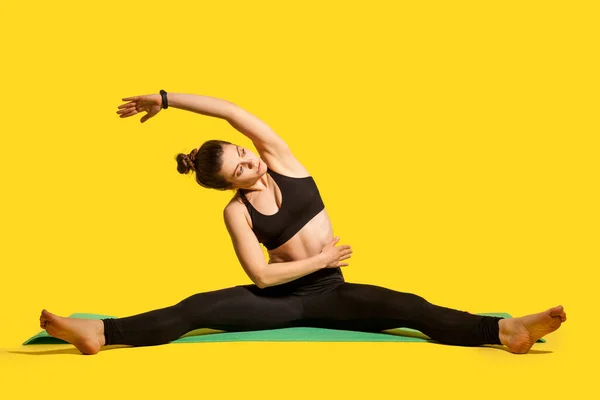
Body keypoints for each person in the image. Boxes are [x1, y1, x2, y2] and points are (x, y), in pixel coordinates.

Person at [39, 91, 567, 355]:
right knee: (193, 310)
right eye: (240, 169)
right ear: (229, 186)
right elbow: (263, 279)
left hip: (331, 292)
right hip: (279, 301)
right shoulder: (236, 212)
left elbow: (229, 111)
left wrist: (167, 98)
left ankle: (505, 330)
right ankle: (99, 333)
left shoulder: (285, 161)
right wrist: (320, 257)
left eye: (246, 154)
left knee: (412, 309)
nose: (252, 163)